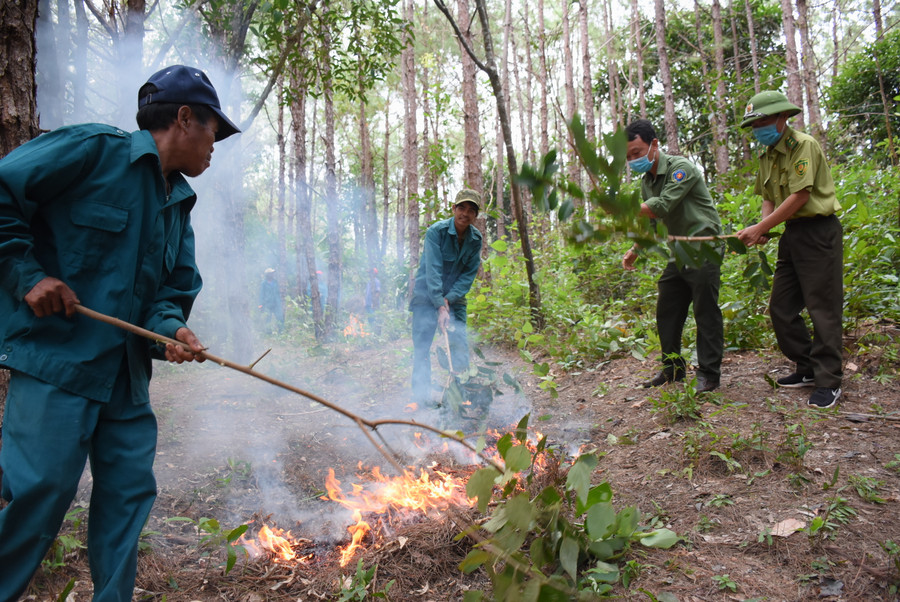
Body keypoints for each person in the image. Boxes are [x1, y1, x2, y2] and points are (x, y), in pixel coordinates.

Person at [0, 64, 239, 600]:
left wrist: (172, 330)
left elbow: (170, 292)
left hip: (125, 383)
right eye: (213, 132)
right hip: (57, 366)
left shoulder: (178, 204)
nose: (215, 146)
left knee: (128, 499)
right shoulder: (92, 151)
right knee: (39, 494)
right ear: (183, 118)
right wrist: (27, 275)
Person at [737, 90, 843, 409]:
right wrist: (763, 227)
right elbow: (769, 198)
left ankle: (829, 380)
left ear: (783, 117)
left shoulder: (803, 146)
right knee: (781, 308)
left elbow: (800, 196)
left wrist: (761, 227)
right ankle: (808, 366)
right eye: (754, 124)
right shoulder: (767, 155)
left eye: (764, 121)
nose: (759, 129)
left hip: (819, 230)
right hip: (792, 233)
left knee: (822, 307)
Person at [623, 119, 724, 393]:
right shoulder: (647, 181)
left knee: (705, 310)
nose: (634, 159)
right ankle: (673, 369)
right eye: (629, 156)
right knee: (667, 307)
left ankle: (709, 374)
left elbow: (663, 205)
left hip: (704, 246)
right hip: (678, 251)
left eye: (638, 152)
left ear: (654, 144)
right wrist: (636, 250)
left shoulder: (681, 169)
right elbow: (653, 223)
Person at [409, 190, 482, 402]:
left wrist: (449, 299)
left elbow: (468, 275)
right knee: (422, 347)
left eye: (471, 211)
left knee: (459, 342)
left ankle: (457, 397)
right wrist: (440, 305)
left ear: (475, 216)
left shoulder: (475, 239)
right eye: (462, 208)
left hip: (454, 298)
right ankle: (421, 398)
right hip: (426, 296)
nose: (465, 214)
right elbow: (432, 271)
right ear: (453, 209)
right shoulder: (436, 232)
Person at [259, 267, 285, 332]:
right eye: (271, 273)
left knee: (280, 317)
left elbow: (278, 292)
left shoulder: (275, 282)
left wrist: (280, 301)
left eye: (273, 273)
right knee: (268, 318)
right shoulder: (263, 284)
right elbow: (261, 294)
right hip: (268, 304)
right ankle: (268, 332)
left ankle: (281, 331)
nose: (273, 275)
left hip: (276, 303)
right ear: (268, 275)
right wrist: (260, 305)